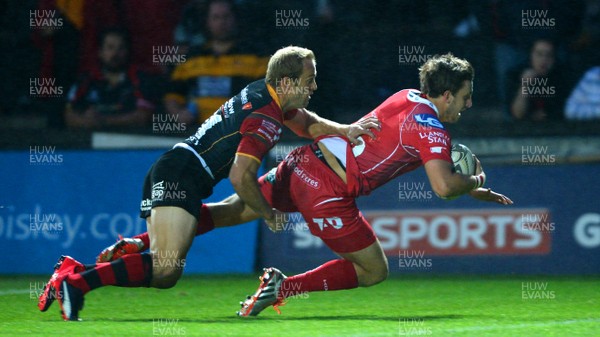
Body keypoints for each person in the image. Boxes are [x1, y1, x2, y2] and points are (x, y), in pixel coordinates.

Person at [95, 53, 512, 317]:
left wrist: (460, 181)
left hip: (303, 163)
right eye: (465, 96)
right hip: (329, 191)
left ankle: (136, 242)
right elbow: (441, 187)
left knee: (231, 211)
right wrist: (471, 180)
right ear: (445, 95)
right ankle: (283, 286)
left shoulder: (408, 96)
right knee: (373, 270)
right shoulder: (431, 126)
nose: (468, 103)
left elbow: (312, 121)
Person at [38, 45, 379, 321]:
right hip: (180, 176)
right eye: (310, 79)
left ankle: (75, 271)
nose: (314, 87)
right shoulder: (265, 119)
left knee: (168, 264)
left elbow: (308, 123)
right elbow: (240, 177)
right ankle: (78, 284)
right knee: (166, 269)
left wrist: (345, 130)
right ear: (287, 83)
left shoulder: (265, 94)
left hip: (176, 170)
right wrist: (268, 212)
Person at [164, 0, 270, 125]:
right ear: (207, 21)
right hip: (195, 133)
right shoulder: (191, 58)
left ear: (235, 19)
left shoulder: (257, 56)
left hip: (240, 133)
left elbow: (267, 98)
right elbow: (172, 95)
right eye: (216, 17)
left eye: (226, 17)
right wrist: (179, 114)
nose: (221, 22)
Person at [64, 28, 159, 129]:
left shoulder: (141, 78)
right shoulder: (85, 79)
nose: (115, 53)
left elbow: (144, 117)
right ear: (100, 52)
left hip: (132, 140)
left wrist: (104, 121)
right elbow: (69, 115)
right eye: (110, 47)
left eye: (121, 48)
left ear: (127, 51)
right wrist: (85, 122)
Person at [507, 39, 568, 122]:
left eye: (549, 55)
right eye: (539, 54)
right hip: (523, 128)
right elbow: (517, 114)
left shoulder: (561, 77)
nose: (544, 60)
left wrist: (546, 115)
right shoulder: (515, 75)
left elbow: (564, 110)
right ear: (531, 55)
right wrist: (525, 85)